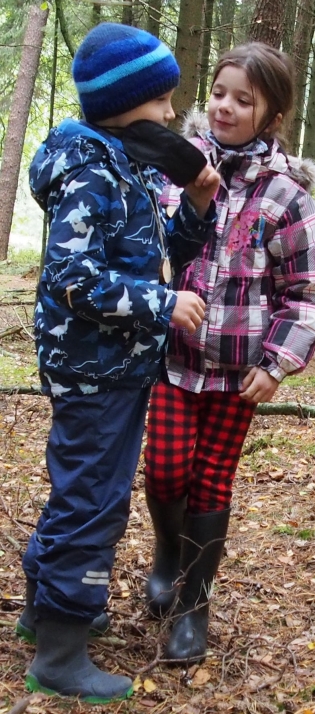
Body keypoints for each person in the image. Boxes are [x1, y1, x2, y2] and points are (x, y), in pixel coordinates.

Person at [19, 23, 220, 702]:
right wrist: (161, 305)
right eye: (161, 102)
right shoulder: (88, 167)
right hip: (94, 367)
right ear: (124, 102)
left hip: (116, 364)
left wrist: (195, 208)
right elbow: (71, 276)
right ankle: (61, 652)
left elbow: (148, 245)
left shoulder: (122, 160)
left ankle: (44, 609)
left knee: (79, 488)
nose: (170, 114)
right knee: (93, 501)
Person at [141, 43, 315, 664]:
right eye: (219, 93)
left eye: (243, 100)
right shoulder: (175, 170)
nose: (225, 107)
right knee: (166, 469)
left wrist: (277, 362)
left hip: (236, 374)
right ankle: (168, 552)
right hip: (173, 359)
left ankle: (193, 606)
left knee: (211, 482)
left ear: (272, 115)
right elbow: (146, 251)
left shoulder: (287, 197)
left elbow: (307, 293)